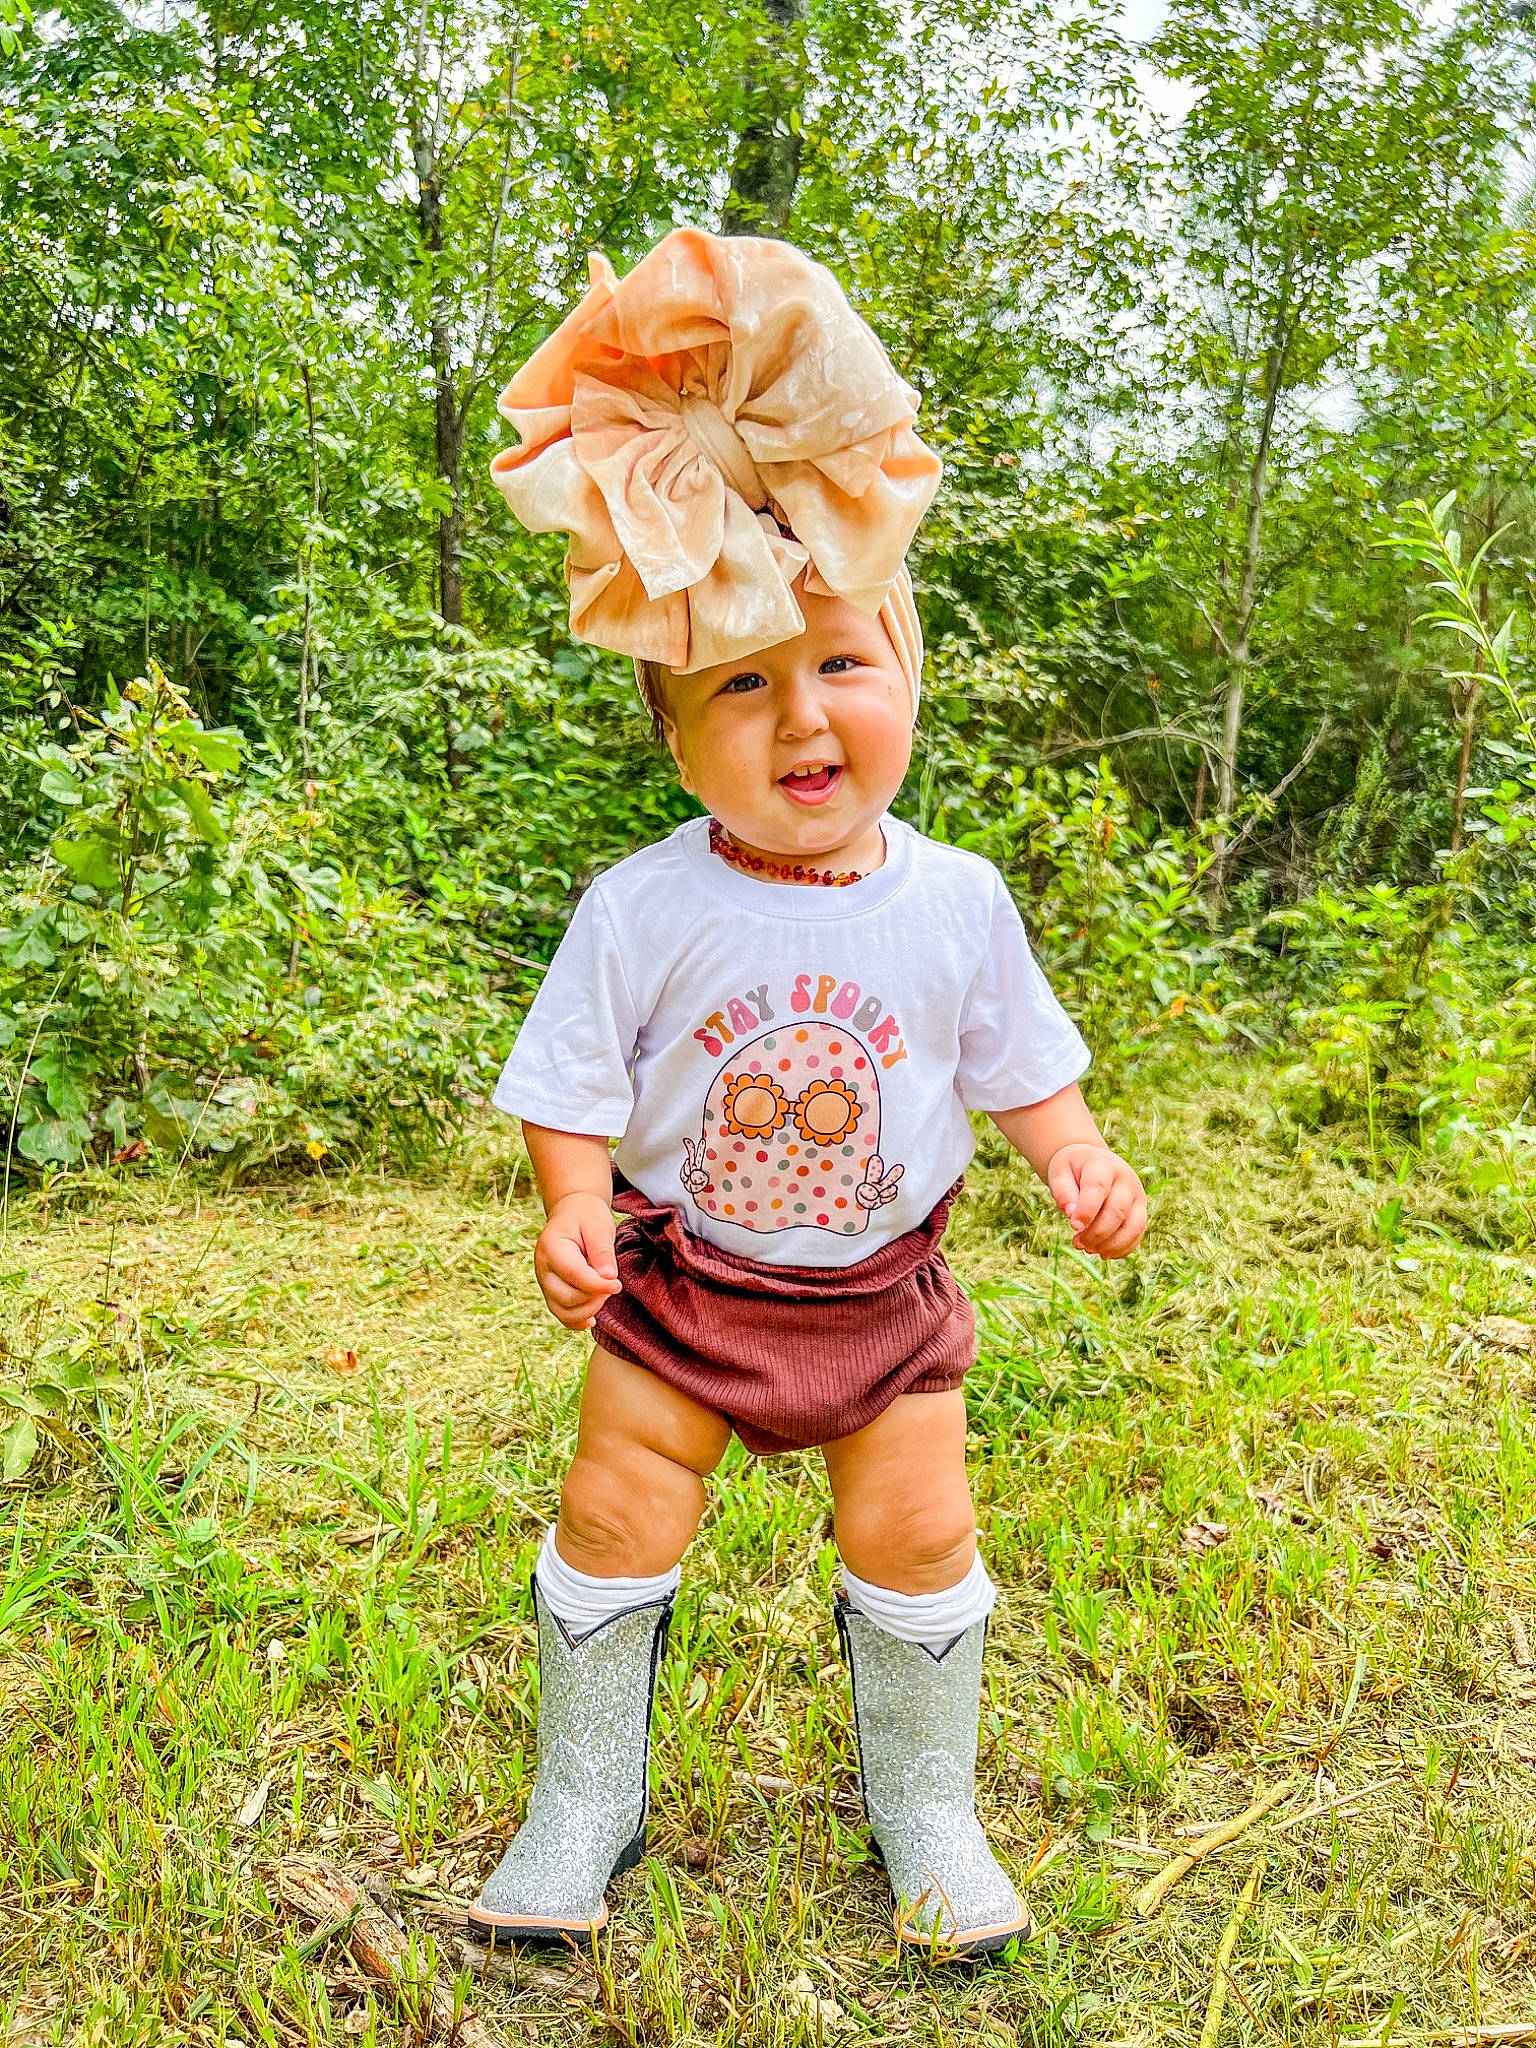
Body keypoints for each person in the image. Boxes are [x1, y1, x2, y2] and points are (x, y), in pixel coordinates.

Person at [467, 226, 1148, 1958]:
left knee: (921, 1535)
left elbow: (1019, 1066)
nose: (803, 716)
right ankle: (584, 1799)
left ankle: (926, 1806)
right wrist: (567, 1199)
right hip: (685, 1288)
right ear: (674, 729)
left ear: (907, 674)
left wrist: (1074, 1160)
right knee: (615, 1509)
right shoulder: (644, 906)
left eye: (842, 661)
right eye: (741, 683)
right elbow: (569, 1078)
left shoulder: (958, 898)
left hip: (882, 1296)